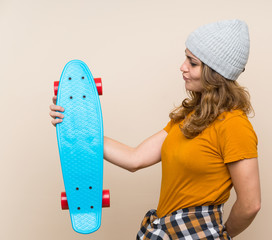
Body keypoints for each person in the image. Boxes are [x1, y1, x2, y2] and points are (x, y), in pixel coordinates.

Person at [50, 19, 261, 239]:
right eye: (185, 58)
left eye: (193, 62)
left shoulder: (234, 125)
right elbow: (134, 158)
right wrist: (77, 126)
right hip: (165, 228)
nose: (182, 66)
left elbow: (250, 204)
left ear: (215, 73)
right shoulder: (191, 118)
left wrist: (216, 235)